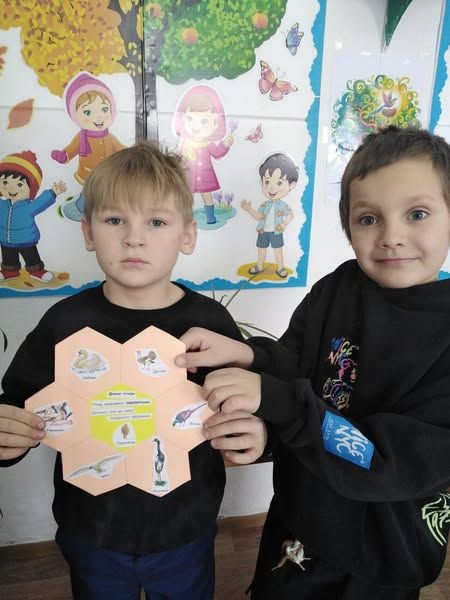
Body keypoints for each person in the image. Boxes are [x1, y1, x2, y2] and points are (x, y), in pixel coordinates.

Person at [176, 126, 450, 599]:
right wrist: (248, 356)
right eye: (369, 219)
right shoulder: (336, 287)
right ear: (348, 226)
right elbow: (295, 365)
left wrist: (277, 403)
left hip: (382, 557)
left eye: (417, 214)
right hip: (296, 527)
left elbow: (385, 458)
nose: (392, 237)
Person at [0, 142, 266, 600]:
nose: (133, 238)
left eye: (156, 222)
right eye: (114, 220)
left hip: (185, 528)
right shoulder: (63, 322)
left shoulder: (211, 325)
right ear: (88, 232)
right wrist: (7, 438)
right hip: (91, 530)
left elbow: (243, 406)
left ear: (188, 235)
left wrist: (251, 431)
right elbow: (18, 407)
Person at [51, 71, 126, 221]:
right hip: (88, 173)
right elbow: (71, 149)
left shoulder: (110, 138)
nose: (98, 117)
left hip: (107, 174)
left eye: (104, 109)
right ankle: (79, 209)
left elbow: (121, 150)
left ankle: (107, 211)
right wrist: (64, 155)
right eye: (87, 112)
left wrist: (132, 154)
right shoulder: (81, 138)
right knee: (88, 193)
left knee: (107, 193)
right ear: (75, 115)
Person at [0, 150, 66, 282]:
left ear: (31, 189)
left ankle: (37, 271)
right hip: (5, 240)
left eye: (19, 184)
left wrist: (53, 192)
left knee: (31, 257)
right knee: (8, 257)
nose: (11, 189)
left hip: (26, 239)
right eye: (5, 182)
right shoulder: (2, 205)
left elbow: (41, 202)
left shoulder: (28, 206)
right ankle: (9, 271)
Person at [172, 85, 234, 226]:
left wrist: (225, 144)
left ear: (216, 124)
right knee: (186, 197)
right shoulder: (185, 143)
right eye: (190, 119)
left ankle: (210, 218)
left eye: (204, 121)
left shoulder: (208, 143)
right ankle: (185, 219)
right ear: (182, 119)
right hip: (188, 176)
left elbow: (217, 153)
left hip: (205, 176)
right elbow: (177, 158)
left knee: (207, 197)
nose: (196, 126)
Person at [241, 153, 298, 278]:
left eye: (279, 183)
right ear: (261, 182)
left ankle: (280, 267)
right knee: (261, 249)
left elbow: (290, 215)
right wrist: (249, 209)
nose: (271, 188)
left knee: (278, 250)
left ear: (291, 185)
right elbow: (258, 217)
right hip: (263, 231)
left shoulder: (281, 205)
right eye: (267, 182)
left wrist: (284, 224)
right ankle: (259, 266)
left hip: (276, 231)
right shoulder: (264, 205)